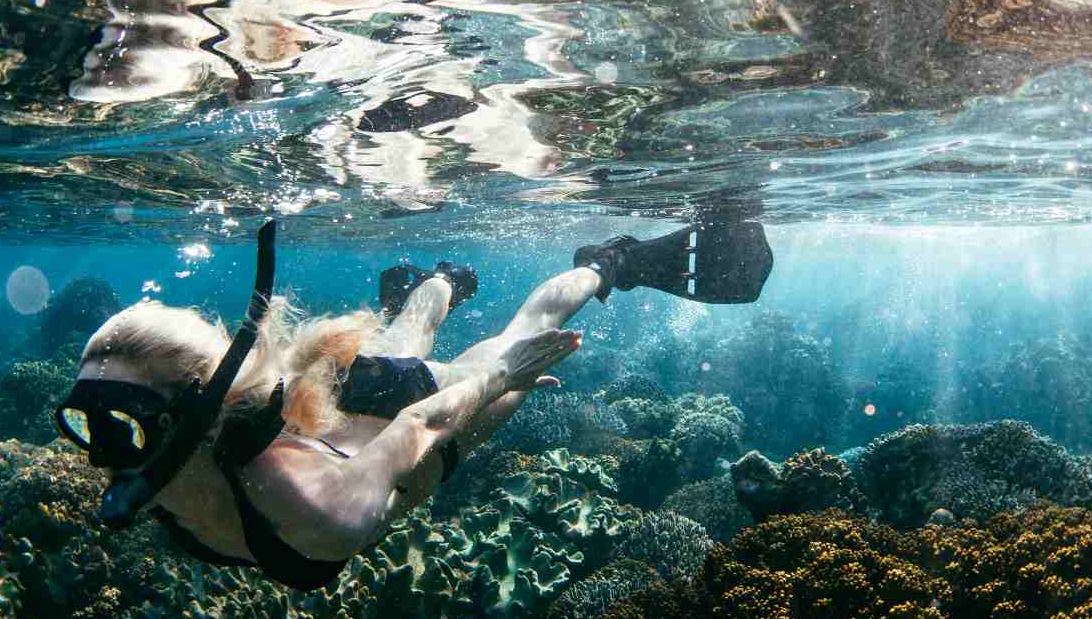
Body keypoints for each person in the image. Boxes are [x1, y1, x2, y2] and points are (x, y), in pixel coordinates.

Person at [53, 219, 773, 590]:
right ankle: (433, 289)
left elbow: (422, 421)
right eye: (85, 425)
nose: (99, 456)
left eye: (120, 427)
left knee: (518, 334)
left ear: (193, 417)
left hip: (433, 424)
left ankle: (608, 262)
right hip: (344, 413)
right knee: (400, 343)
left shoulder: (317, 506)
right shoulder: (169, 476)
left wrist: (502, 378)